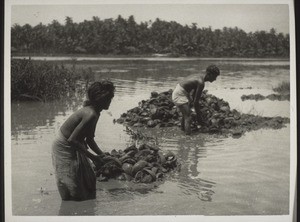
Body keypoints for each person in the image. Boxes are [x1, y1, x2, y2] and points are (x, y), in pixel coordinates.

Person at [52, 80, 115, 201]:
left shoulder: (96, 112)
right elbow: (72, 140)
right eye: (108, 99)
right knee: (71, 181)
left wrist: (101, 154)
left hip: (75, 143)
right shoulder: (90, 113)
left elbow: (90, 139)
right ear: (100, 99)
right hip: (63, 145)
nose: (110, 102)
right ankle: (71, 206)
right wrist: (94, 158)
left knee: (88, 178)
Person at [172, 65, 220, 135]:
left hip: (181, 91)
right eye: (215, 76)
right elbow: (196, 102)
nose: (215, 79)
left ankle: (183, 130)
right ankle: (187, 137)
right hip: (179, 94)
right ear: (209, 74)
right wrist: (199, 117)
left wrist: (191, 101)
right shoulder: (201, 83)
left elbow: (194, 97)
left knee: (185, 113)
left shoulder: (200, 77)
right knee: (188, 116)